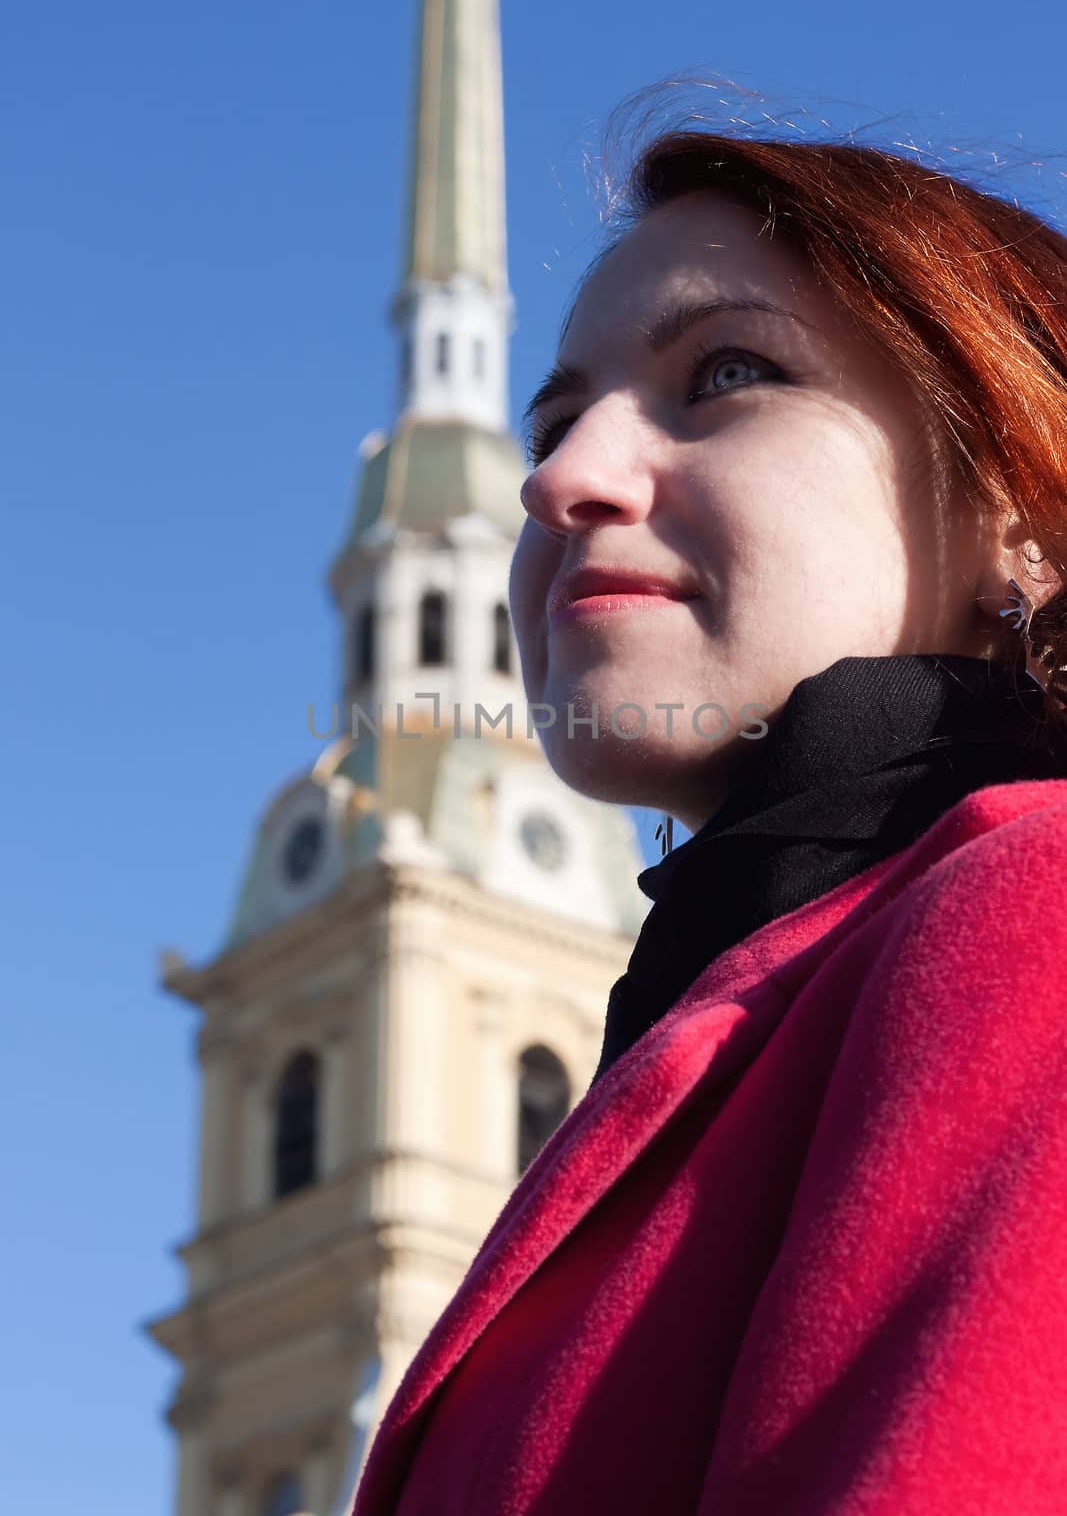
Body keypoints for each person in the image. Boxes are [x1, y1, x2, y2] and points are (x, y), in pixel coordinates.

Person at [351, 112, 1067, 1513]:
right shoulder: (726, 1024)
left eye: (726, 374)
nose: (559, 479)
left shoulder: (1032, 916)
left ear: (1018, 514)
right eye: (554, 424)